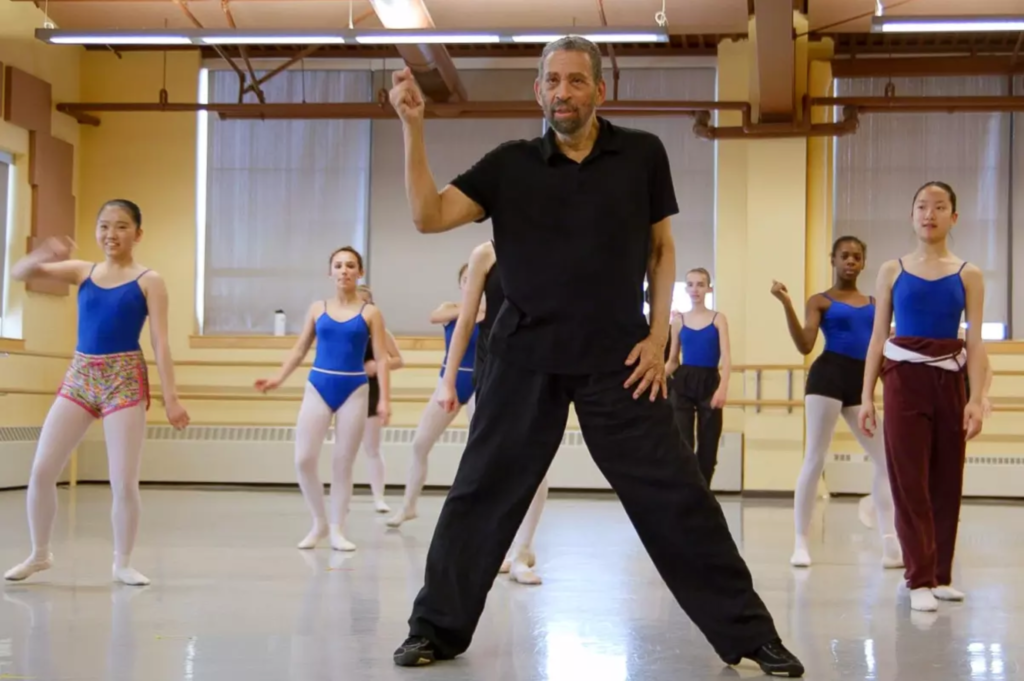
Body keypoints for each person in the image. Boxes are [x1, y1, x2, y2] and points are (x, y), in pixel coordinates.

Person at [386, 36, 804, 676]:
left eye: (576, 80)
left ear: (600, 90)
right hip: (523, 357)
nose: (563, 91)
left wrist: (660, 334)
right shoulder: (509, 165)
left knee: (678, 497)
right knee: (481, 494)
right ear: (538, 91)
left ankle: (749, 634)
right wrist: (413, 126)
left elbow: (663, 251)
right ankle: (434, 629)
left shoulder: (641, 155)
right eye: (551, 81)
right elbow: (427, 215)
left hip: (620, 358)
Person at [4, 200, 190, 586]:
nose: (111, 234)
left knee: (123, 481)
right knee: (41, 470)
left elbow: (161, 342)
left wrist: (171, 398)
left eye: (121, 227)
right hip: (81, 374)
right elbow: (21, 271)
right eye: (104, 226)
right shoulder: (81, 271)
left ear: (137, 234)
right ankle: (40, 554)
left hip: (124, 378)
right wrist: (44, 252)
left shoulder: (148, 281)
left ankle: (122, 562)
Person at [858, 181, 987, 613]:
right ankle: (918, 577)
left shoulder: (969, 273)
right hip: (903, 382)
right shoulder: (892, 270)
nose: (929, 214)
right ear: (911, 215)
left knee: (947, 478)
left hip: (949, 381)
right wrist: (866, 397)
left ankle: (940, 574)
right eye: (921, 206)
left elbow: (976, 343)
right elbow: (878, 337)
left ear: (954, 217)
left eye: (939, 207)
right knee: (909, 479)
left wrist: (976, 397)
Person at [770, 237, 902, 570]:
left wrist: (891, 390)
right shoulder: (821, 301)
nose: (851, 261)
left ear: (864, 262)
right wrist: (786, 302)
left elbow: (881, 351)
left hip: (861, 381)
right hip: (827, 377)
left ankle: (890, 543)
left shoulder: (875, 303)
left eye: (857, 257)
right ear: (833, 259)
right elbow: (804, 344)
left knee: (888, 460)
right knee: (815, 457)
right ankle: (801, 542)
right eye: (845, 256)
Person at [255, 246, 391, 552]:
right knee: (304, 459)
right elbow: (301, 348)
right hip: (318, 385)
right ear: (330, 272)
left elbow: (382, 358)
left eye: (351, 265)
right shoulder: (318, 308)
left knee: (343, 463)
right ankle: (318, 522)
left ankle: (337, 528)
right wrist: (278, 377)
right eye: (339, 265)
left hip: (355, 389)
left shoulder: (370, 313)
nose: (344, 270)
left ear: (360, 272)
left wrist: (385, 400)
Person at [439, 240, 548, 585]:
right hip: (493, 366)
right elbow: (466, 319)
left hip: (540, 364)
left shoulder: (555, 246)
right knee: (488, 461)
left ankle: (521, 552)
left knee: (537, 462)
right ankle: (490, 548)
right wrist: (449, 379)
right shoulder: (485, 253)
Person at [385, 266, 479, 529]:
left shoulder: (493, 311)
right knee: (419, 443)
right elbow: (434, 316)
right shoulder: (451, 307)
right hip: (449, 381)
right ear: (461, 284)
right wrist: (470, 308)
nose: (470, 284)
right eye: (465, 280)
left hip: (480, 383)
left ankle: (472, 512)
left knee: (477, 451)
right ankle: (408, 506)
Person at [664, 267, 730, 486]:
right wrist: (654, 379)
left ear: (709, 289)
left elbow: (727, 358)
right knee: (683, 443)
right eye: (690, 284)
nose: (695, 289)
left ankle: (704, 494)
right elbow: (673, 359)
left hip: (710, 382)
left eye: (700, 284)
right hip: (683, 382)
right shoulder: (678, 321)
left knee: (708, 445)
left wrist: (723, 390)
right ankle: (686, 494)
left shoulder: (718, 319)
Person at [356, 285, 405, 514]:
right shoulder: (342, 327)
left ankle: (378, 497)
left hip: (371, 389)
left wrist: (376, 365)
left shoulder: (380, 332)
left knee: (372, 447)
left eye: (366, 303)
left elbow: (398, 360)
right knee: (343, 447)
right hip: (346, 388)